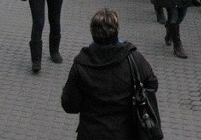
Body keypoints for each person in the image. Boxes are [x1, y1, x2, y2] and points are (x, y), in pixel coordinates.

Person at [61, 8, 159, 140]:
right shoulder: (133, 58)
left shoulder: (81, 64)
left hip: (91, 133)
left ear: (92, 32)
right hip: (126, 132)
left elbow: (69, 105)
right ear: (116, 31)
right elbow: (152, 84)